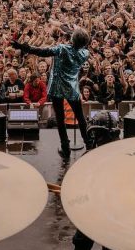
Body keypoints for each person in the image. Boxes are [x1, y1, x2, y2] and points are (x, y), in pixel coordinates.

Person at [13, 28, 91, 159]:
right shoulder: (85, 53)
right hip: (72, 89)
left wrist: (23, 47)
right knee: (81, 117)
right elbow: (79, 46)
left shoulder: (62, 49)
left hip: (57, 89)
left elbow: (41, 52)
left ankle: (65, 148)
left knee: (60, 119)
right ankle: (89, 144)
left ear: (72, 39)